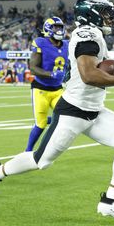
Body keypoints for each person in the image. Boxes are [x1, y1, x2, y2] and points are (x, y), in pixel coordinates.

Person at [0, 0, 114, 226]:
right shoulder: (88, 34)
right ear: (92, 14)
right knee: (41, 161)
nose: (110, 18)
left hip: (95, 111)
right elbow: (89, 75)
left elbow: (82, 68)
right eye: (105, 13)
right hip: (73, 111)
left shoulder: (90, 35)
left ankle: (110, 201)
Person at [24, 16, 68, 152]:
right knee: (41, 124)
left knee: (67, 117)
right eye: (56, 27)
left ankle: (51, 120)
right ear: (48, 29)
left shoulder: (67, 44)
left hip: (58, 89)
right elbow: (33, 68)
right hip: (41, 89)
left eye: (60, 27)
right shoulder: (40, 42)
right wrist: (51, 74)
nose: (59, 30)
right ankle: (28, 150)